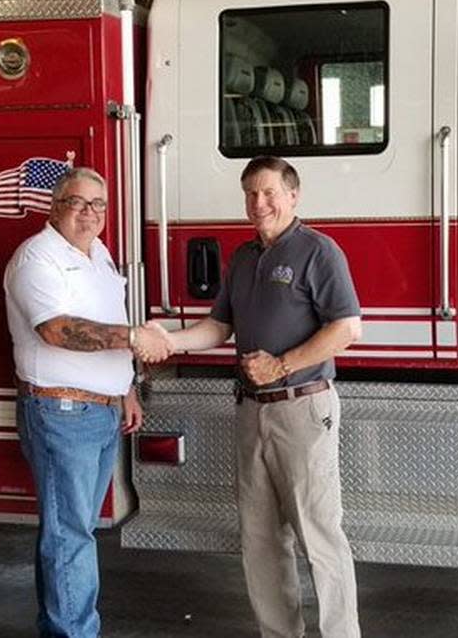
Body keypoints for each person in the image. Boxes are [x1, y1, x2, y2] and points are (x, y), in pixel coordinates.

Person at [139, 156, 364, 638]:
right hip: (250, 411)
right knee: (260, 540)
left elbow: (347, 328)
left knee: (319, 537)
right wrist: (170, 340)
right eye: (250, 194)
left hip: (302, 408)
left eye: (268, 193)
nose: (258, 204)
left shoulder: (319, 252)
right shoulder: (243, 259)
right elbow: (219, 326)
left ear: (293, 195)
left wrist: (282, 365)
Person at [4, 166, 172, 638]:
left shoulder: (98, 254)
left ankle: (59, 628)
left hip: (99, 409)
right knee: (70, 534)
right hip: (61, 412)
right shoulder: (37, 258)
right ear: (55, 207)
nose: (89, 213)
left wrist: (126, 388)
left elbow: (105, 318)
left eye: (98, 205)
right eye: (77, 203)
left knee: (68, 531)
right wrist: (136, 337)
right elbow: (57, 330)